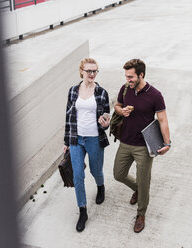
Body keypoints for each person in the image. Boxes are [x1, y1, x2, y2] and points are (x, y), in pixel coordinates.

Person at [113, 58, 171, 233]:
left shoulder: (155, 95)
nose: (127, 80)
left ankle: (141, 214)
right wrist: (121, 111)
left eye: (131, 76)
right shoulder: (125, 89)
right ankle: (139, 190)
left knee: (144, 179)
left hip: (144, 147)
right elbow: (117, 106)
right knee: (118, 174)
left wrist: (167, 143)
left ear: (141, 75)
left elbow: (163, 120)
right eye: (126, 76)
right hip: (125, 141)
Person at [63, 57, 110, 232]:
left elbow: (107, 116)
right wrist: (66, 141)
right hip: (76, 138)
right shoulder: (73, 91)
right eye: (88, 70)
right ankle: (82, 210)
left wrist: (106, 123)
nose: (92, 74)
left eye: (95, 70)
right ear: (81, 71)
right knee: (77, 175)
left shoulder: (101, 92)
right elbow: (68, 117)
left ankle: (100, 186)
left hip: (94, 138)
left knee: (95, 170)